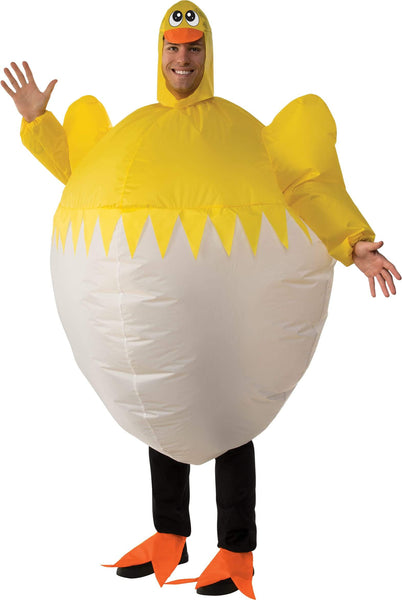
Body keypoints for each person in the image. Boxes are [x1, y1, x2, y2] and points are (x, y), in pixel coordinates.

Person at [2, 3, 400, 598]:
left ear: (208, 55)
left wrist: (353, 243)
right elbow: (82, 173)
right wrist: (38, 123)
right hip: (165, 312)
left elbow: (305, 185)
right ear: (159, 53)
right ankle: (170, 534)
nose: (182, 60)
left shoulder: (243, 135)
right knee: (162, 402)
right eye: (173, 48)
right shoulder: (134, 134)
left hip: (227, 308)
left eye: (193, 49)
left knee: (227, 409)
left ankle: (237, 549)